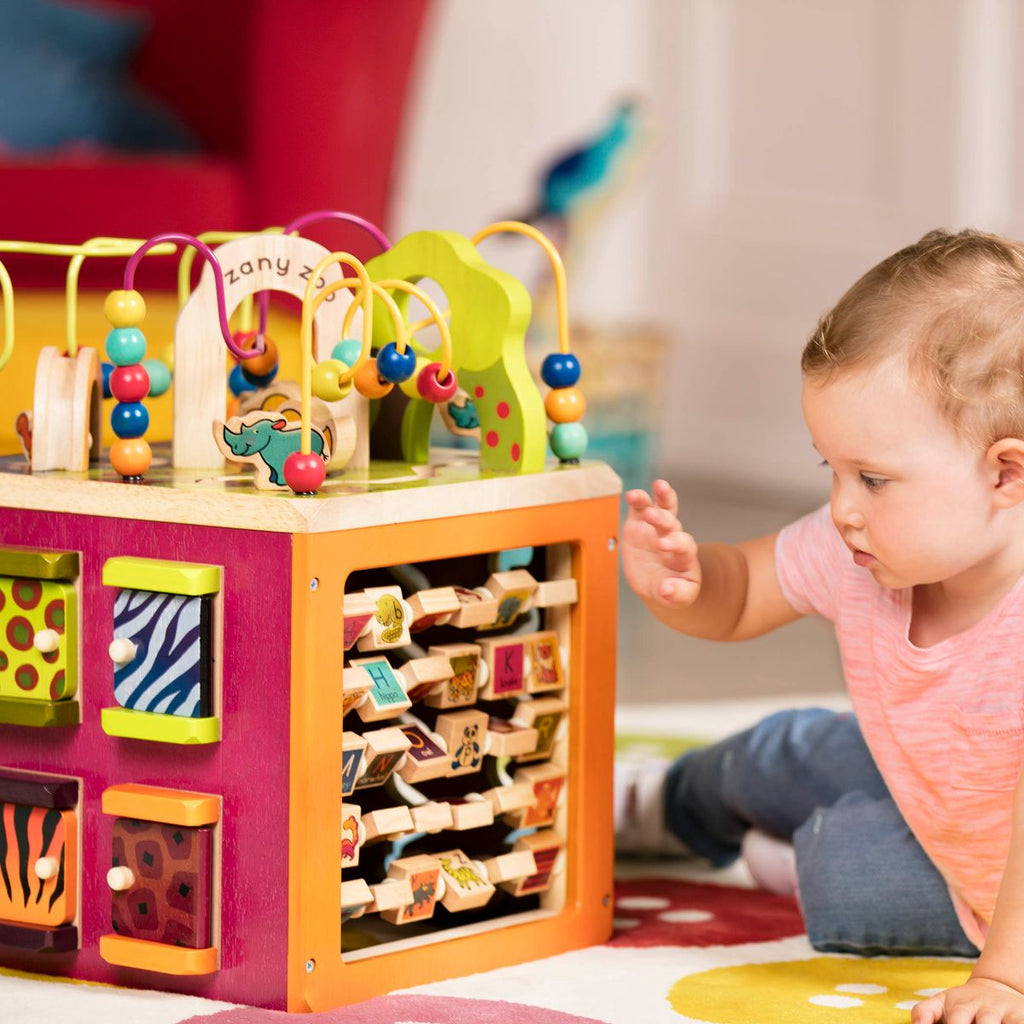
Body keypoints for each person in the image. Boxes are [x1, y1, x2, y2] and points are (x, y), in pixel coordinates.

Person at [620, 228, 1024, 1024]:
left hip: (991, 882)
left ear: (1005, 473)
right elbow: (740, 594)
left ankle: (782, 850)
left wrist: (1005, 981)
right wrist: (686, 578)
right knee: (784, 750)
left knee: (842, 876)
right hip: (922, 773)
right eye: (830, 470)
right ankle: (667, 805)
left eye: (873, 479)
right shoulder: (863, 546)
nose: (843, 509)